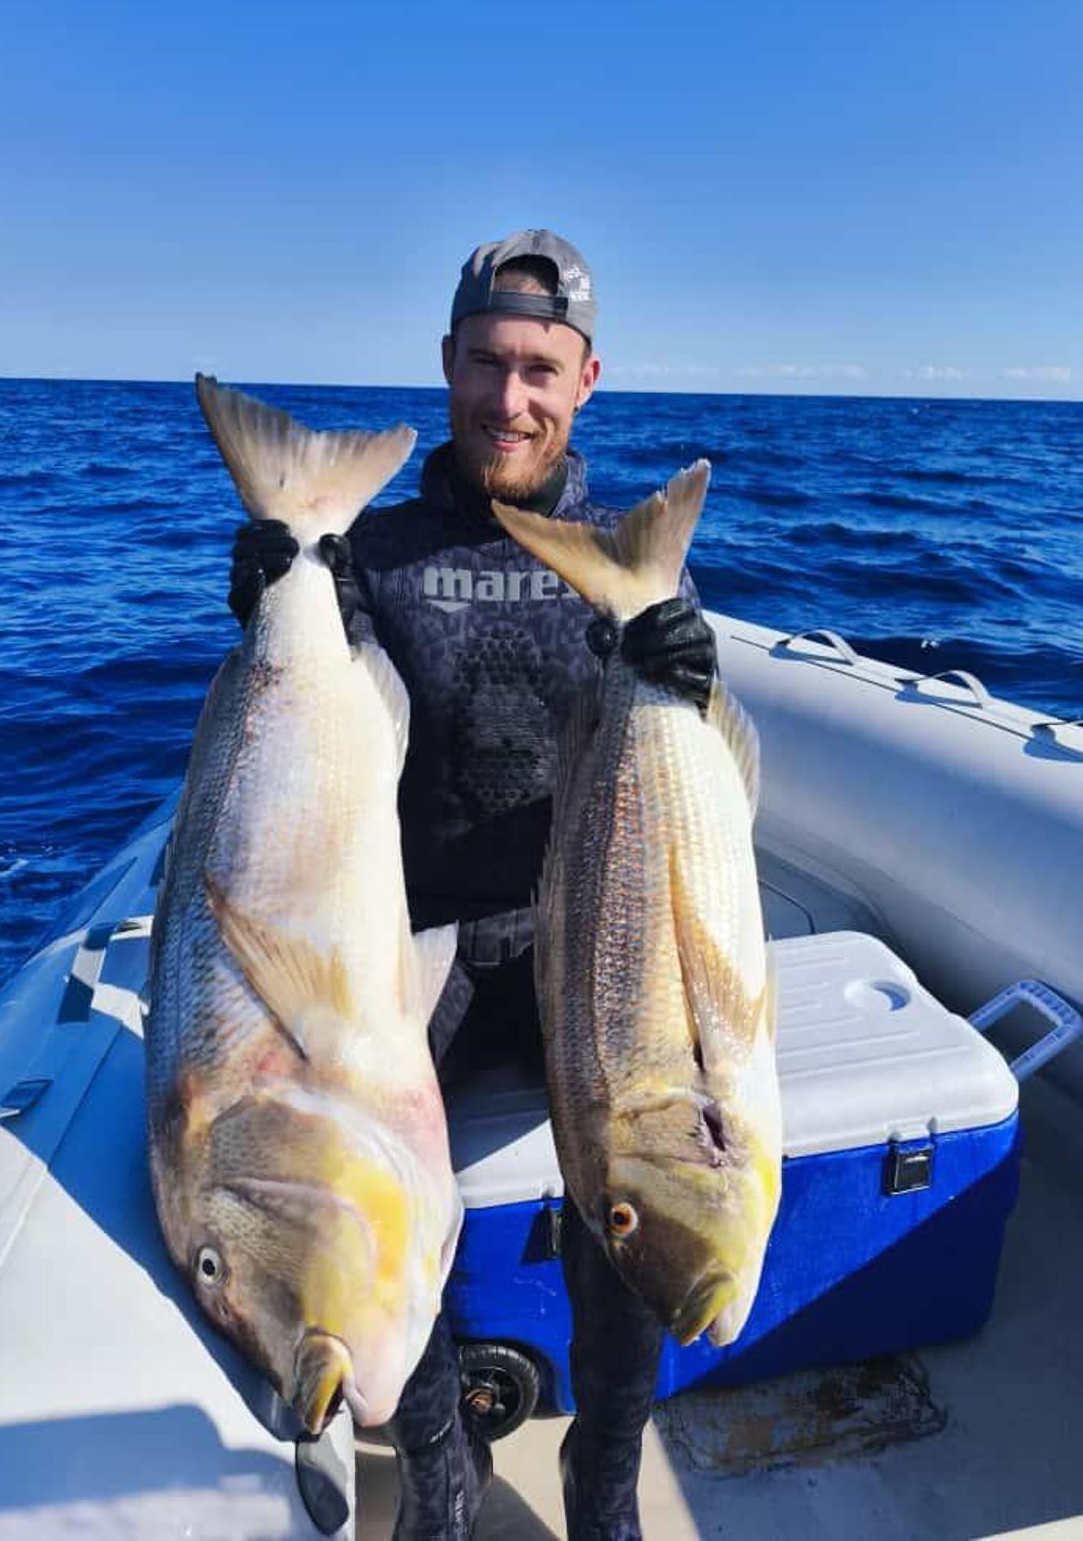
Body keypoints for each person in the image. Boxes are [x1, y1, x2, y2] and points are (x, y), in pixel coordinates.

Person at [228, 230, 717, 1541]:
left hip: (585, 946)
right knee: (372, 1186)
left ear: (588, 377)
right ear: (446, 360)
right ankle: (444, 1475)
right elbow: (338, 721)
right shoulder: (373, 550)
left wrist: (691, 668)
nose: (512, 398)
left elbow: (695, 781)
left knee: (637, 1202)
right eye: (489, 364)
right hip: (413, 937)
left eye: (541, 370)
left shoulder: (630, 562)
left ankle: (602, 1480)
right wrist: (285, 607)